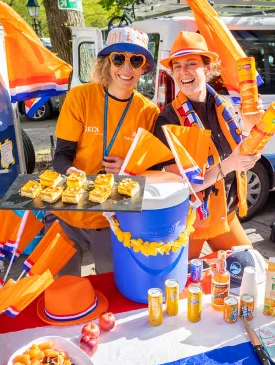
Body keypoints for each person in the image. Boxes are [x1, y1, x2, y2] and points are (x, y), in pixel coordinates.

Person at [51, 27, 159, 276]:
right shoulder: (80, 97)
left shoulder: (149, 112)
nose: (127, 68)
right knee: (63, 289)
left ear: (144, 68)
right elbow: (61, 155)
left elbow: (154, 171)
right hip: (69, 214)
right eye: (119, 58)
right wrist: (71, 171)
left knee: (112, 288)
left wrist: (128, 168)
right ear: (106, 63)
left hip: (114, 220)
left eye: (136, 60)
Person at [153, 31, 263, 260]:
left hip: (224, 213)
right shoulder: (168, 119)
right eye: (177, 66)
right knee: (178, 286)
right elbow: (183, 185)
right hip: (188, 220)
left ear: (207, 67)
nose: (183, 72)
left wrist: (251, 126)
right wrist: (230, 164)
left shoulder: (224, 105)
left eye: (191, 64)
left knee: (249, 267)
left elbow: (242, 151)